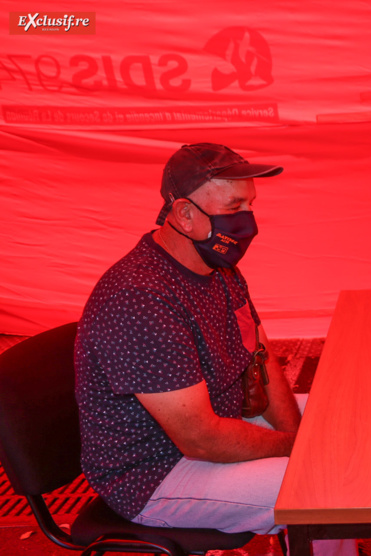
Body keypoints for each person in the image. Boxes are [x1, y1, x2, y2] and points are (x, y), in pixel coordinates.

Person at [74, 143, 356, 555]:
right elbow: (201, 441)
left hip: (214, 423)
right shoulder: (139, 297)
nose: (246, 222)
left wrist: (295, 434)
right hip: (156, 473)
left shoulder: (218, 268)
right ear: (185, 215)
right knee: (323, 481)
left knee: (344, 424)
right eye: (233, 205)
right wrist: (298, 448)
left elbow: (257, 356)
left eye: (250, 205)